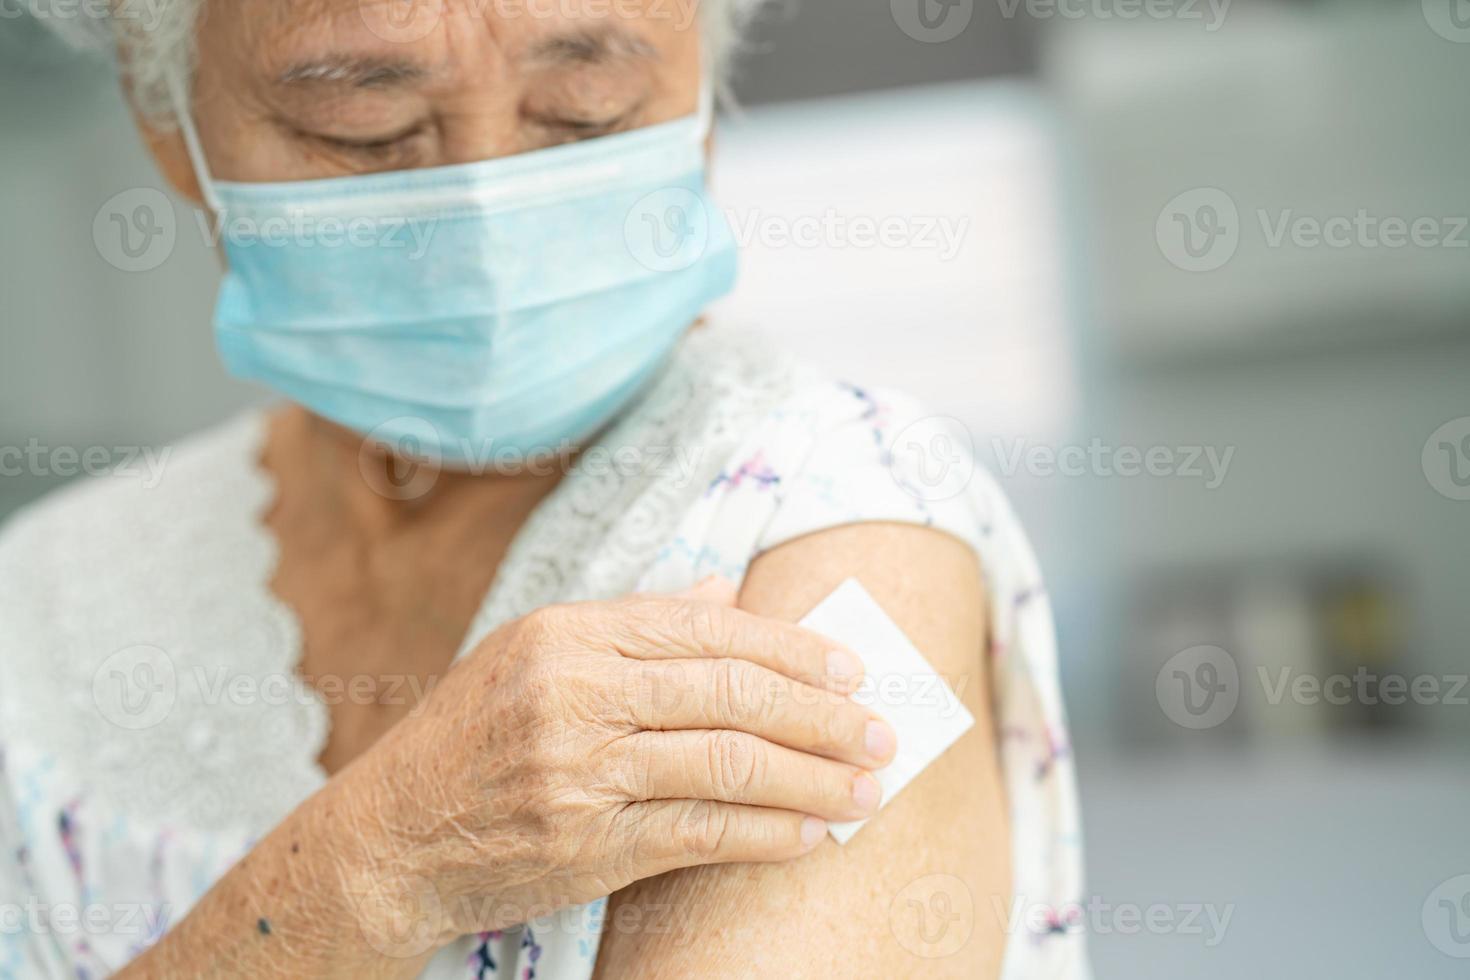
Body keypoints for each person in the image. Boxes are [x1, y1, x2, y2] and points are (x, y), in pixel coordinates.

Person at [0, 1, 1085, 976]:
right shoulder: (40, 600)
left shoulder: (845, 519)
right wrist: (369, 873)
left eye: (584, 110)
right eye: (366, 133)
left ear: (702, 94)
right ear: (168, 122)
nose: (486, 232)